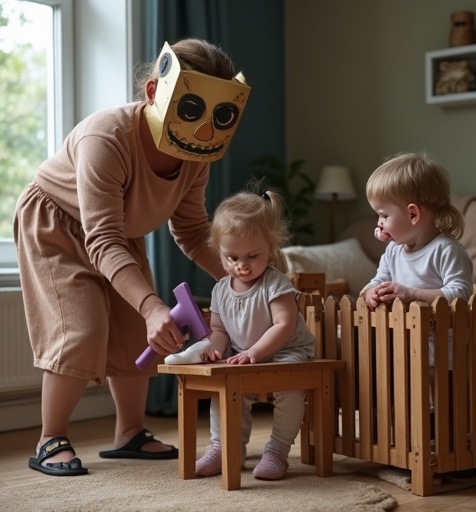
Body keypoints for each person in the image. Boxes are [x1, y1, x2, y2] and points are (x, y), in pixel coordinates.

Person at [13, 38, 251, 477]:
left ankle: (130, 432)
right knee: (80, 329)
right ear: (153, 94)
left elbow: (193, 230)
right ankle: (50, 437)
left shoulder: (198, 150)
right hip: (58, 224)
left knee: (137, 334)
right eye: (193, 110)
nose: (203, 130)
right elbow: (99, 237)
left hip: (119, 233)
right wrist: (152, 305)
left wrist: (243, 274)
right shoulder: (107, 138)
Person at [165, 188, 315, 480]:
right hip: (244, 355)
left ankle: (277, 450)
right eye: (231, 257)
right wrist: (217, 350)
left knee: (290, 390)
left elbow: (283, 325)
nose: (241, 265)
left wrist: (255, 353)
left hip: (287, 353)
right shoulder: (221, 288)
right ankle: (223, 447)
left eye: (251, 256)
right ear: (218, 251)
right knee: (223, 391)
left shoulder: (276, 283)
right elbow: (220, 330)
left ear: (270, 248)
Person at [360, 152, 473, 419]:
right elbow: (377, 281)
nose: (379, 223)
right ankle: (410, 429)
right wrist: (370, 293)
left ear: (412, 214)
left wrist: (410, 294)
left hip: (442, 343)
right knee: (407, 393)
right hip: (403, 340)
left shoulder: (446, 250)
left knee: (440, 395)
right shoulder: (393, 251)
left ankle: (445, 430)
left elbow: (461, 294)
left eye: (383, 215)